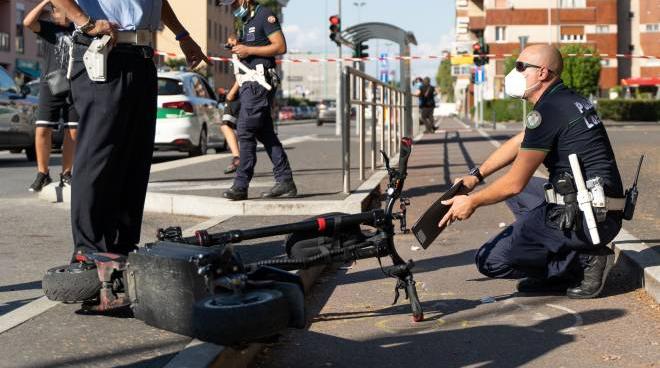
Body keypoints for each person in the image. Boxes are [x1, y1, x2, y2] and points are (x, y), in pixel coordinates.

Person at [439, 44, 624, 299]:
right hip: (602, 209)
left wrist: (472, 202)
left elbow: (514, 182)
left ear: (543, 73)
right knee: (517, 191)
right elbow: (519, 142)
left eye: (521, 67)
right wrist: (476, 176)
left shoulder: (548, 111)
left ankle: (583, 261)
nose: (515, 73)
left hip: (587, 218)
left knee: (490, 260)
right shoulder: (566, 100)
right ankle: (562, 257)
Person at [50, 0, 209, 260]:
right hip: (103, 51)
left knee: (135, 157)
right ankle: (89, 252)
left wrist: (182, 35)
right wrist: (85, 21)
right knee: (99, 155)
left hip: (142, 56)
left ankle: (123, 247)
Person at [218, 0, 297, 201]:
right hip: (248, 83)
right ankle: (285, 181)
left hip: (259, 83)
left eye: (234, 3)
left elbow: (280, 46)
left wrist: (249, 50)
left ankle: (241, 185)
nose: (233, 8)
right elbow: (249, 45)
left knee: (245, 131)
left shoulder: (264, 15)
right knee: (265, 133)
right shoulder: (244, 20)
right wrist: (235, 41)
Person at [24, 0, 78, 192]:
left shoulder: (78, 28)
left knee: (73, 131)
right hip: (51, 83)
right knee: (42, 129)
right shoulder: (48, 28)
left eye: (63, 10)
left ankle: (66, 173)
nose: (60, 14)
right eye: (56, 10)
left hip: (75, 83)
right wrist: (46, 1)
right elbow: (27, 22)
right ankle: (42, 173)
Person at [220, 81, 241, 174]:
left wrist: (232, 93)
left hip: (245, 87)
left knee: (226, 125)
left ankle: (238, 159)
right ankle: (283, 172)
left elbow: (244, 71)